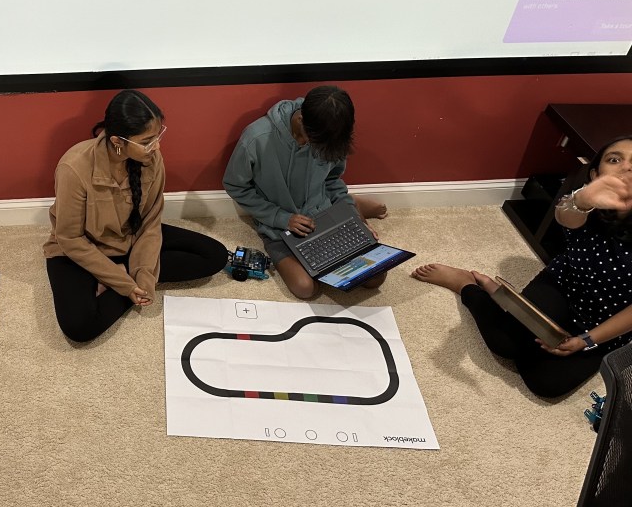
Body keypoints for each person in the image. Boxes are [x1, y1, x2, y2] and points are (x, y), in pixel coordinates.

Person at [412, 135, 632, 398]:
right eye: (614, 160)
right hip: (562, 285)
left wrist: (587, 340)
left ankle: (503, 298)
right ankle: (467, 285)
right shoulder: (587, 202)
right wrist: (583, 199)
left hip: (608, 319)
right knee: (504, 343)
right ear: (596, 174)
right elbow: (564, 217)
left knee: (545, 384)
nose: (626, 168)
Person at [44, 89, 228, 342]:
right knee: (79, 327)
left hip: (130, 236)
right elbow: (70, 238)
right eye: (146, 141)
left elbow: (150, 224)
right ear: (118, 141)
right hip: (81, 248)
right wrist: (126, 285)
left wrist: (144, 275)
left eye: (158, 135)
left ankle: (115, 275)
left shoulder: (152, 159)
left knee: (215, 256)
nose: (157, 146)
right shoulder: (74, 167)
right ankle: (114, 274)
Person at [223, 85, 387, 300]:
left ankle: (354, 205)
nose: (310, 145)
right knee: (306, 288)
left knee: (375, 278)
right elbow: (235, 185)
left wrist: (353, 218)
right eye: (312, 140)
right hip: (281, 224)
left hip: (324, 213)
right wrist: (281, 217)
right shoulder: (257, 137)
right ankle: (358, 204)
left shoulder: (332, 135)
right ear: (301, 119)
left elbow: (332, 180)